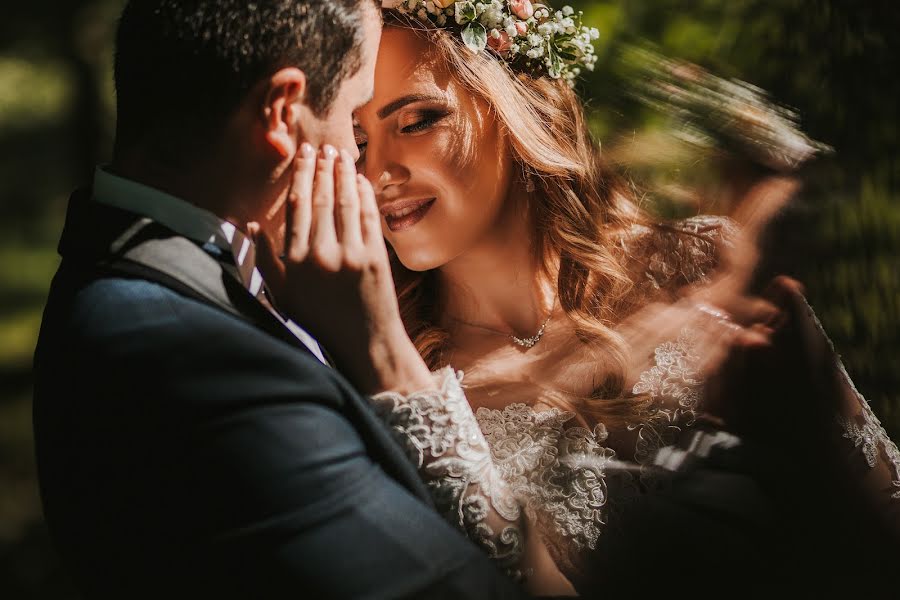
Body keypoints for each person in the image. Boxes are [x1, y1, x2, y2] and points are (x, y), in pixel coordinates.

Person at [344, 2, 900, 594]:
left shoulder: (702, 264)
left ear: (510, 102)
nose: (377, 171)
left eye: (417, 120)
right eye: (357, 140)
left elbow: (882, 504)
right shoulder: (411, 389)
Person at [32, 1, 533, 597]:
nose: (362, 168)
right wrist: (377, 348)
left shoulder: (175, 290)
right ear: (281, 112)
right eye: (352, 124)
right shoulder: (190, 361)